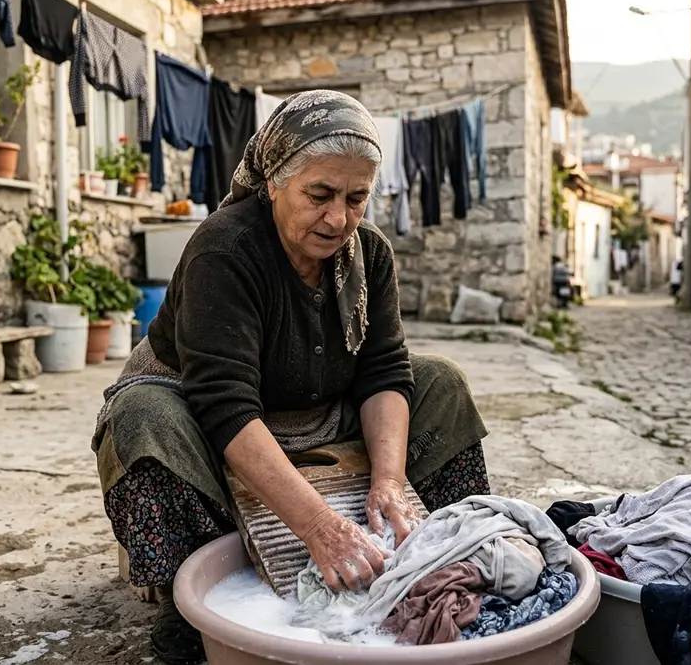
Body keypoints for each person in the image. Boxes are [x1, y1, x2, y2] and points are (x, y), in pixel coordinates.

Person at [91, 90, 491, 664]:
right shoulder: (224, 249)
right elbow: (223, 404)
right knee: (143, 422)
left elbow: (384, 370)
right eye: (320, 194)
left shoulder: (369, 253)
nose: (339, 218)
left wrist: (389, 481)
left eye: (357, 198)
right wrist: (320, 527)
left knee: (441, 384)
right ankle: (189, 607)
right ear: (274, 181)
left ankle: (448, 556)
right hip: (206, 419)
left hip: (321, 412)